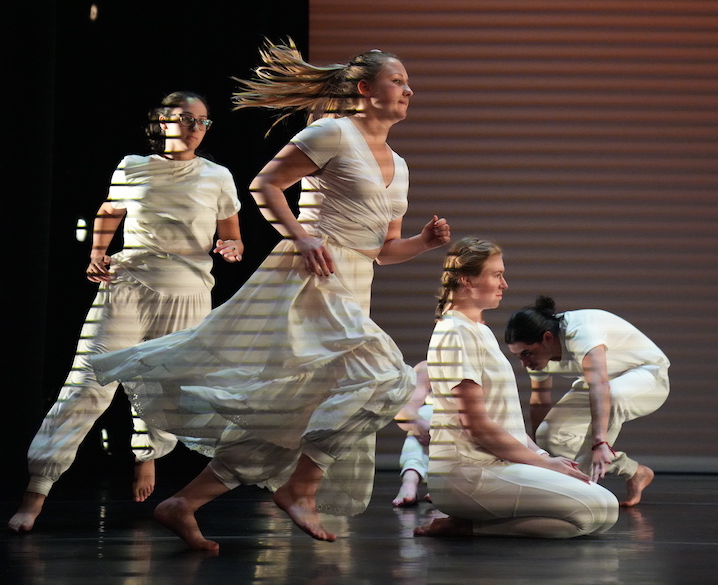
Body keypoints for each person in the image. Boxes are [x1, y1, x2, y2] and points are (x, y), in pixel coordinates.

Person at [89, 42, 451, 551]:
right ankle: (301, 489)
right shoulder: (332, 133)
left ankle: (183, 504)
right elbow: (265, 185)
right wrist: (301, 236)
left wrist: (424, 243)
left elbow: (384, 250)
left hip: (353, 286)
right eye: (398, 80)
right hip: (312, 282)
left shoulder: (400, 164)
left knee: (291, 413)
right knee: (390, 380)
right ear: (365, 89)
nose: (408, 90)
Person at [8, 91, 244, 533]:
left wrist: (232, 247)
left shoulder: (217, 176)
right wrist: (97, 252)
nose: (195, 127)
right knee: (87, 381)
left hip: (188, 291)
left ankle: (148, 455)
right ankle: (36, 489)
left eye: (203, 121)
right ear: (161, 122)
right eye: (185, 118)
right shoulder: (133, 166)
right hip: (129, 283)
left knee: (162, 383)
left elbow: (234, 234)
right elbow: (108, 213)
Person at [415, 237, 618, 538]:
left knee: (603, 512)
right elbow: (477, 426)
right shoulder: (455, 332)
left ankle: (468, 524)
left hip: (496, 465)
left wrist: (544, 456)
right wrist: (543, 465)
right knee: (597, 509)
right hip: (468, 474)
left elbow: (503, 420)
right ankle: (467, 526)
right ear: (468, 280)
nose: (504, 284)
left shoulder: (478, 331)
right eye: (496, 274)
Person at [505, 296, 670, 507]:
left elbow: (600, 384)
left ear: (547, 338)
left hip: (649, 378)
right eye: (519, 356)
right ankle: (635, 472)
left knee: (614, 396)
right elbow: (540, 402)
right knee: (550, 436)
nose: (524, 363)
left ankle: (585, 492)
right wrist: (541, 454)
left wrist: (600, 442)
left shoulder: (580, 332)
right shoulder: (538, 360)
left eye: (527, 353)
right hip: (603, 383)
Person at [391, 361, 432, 507]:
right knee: (424, 413)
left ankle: (444, 485)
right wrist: (421, 425)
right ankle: (409, 481)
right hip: (427, 434)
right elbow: (403, 411)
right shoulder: (427, 368)